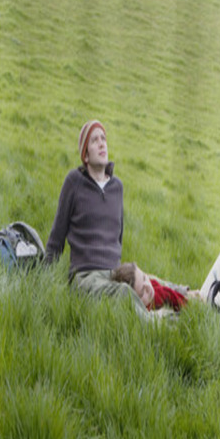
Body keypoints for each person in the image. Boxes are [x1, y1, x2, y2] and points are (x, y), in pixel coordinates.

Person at [44, 119, 145, 311]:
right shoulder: (74, 182)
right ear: (86, 156)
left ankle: (192, 296)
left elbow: (118, 239)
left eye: (103, 139)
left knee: (149, 284)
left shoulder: (117, 187)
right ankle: (158, 325)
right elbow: (56, 238)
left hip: (114, 275)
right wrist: (42, 282)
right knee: (123, 293)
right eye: (94, 140)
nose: (101, 143)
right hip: (85, 277)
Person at [110, 232, 220, 313]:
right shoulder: (151, 315)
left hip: (200, 301)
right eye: (143, 291)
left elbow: (164, 287)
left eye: (144, 277)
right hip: (210, 315)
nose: (148, 286)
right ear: (135, 300)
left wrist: (188, 293)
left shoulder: (156, 291)